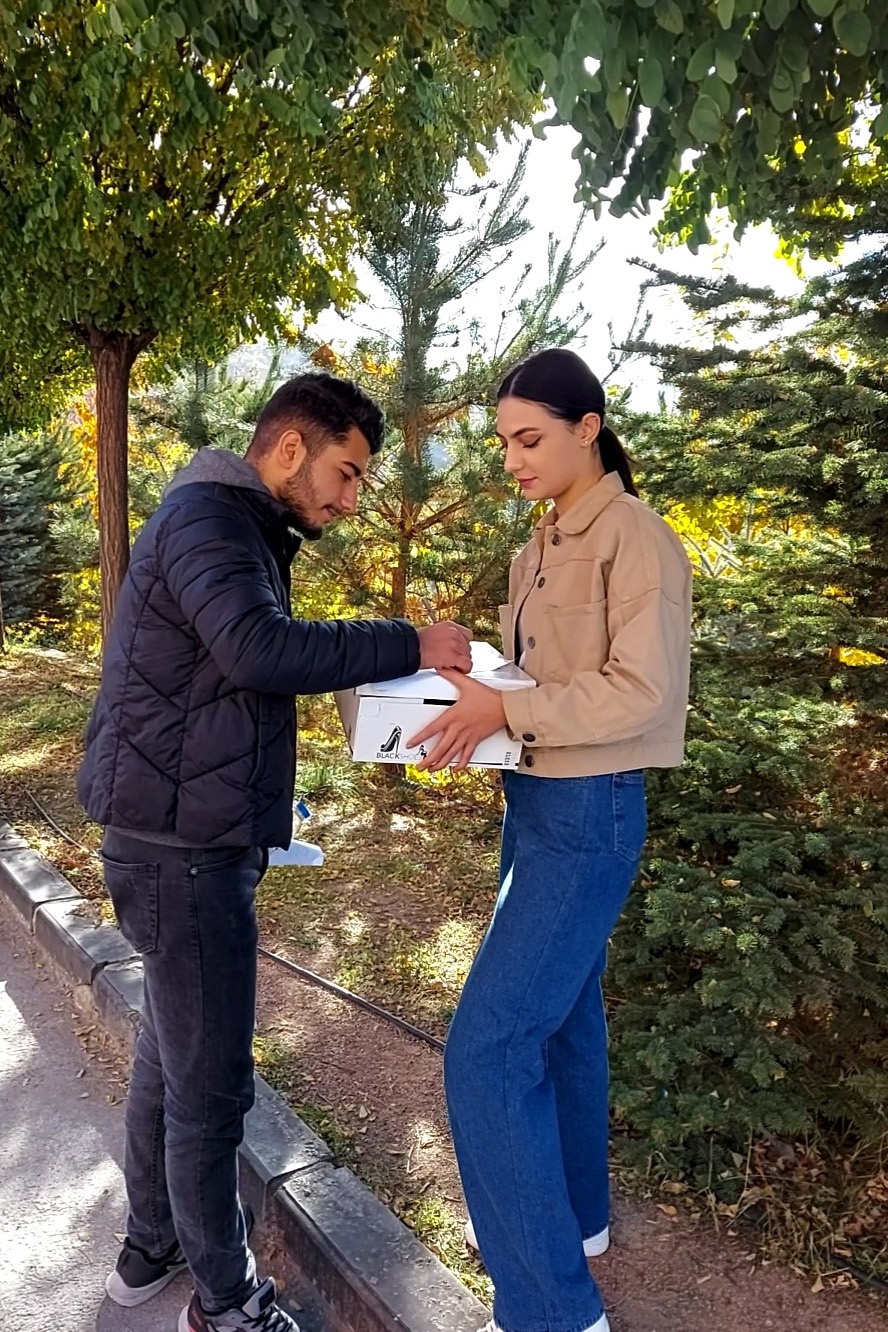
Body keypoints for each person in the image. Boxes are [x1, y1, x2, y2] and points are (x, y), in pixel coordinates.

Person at [77, 372, 471, 1332]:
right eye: (345, 472)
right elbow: (259, 650)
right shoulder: (215, 523)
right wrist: (409, 641)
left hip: (173, 835)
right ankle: (224, 1303)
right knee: (210, 1092)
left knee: (173, 1063)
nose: (350, 498)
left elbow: (221, 675)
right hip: (185, 853)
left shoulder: (224, 522)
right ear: (288, 447)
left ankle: (153, 1246)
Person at [409, 348, 692, 1332]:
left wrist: (506, 709)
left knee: (486, 1050)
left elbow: (642, 690)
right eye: (503, 444)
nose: (513, 460)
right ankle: (577, 1228)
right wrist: (472, 683)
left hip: (591, 813)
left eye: (529, 439)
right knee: (566, 1018)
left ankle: (552, 1312)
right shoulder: (542, 548)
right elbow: (536, 680)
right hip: (534, 806)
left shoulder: (635, 539)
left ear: (588, 426)